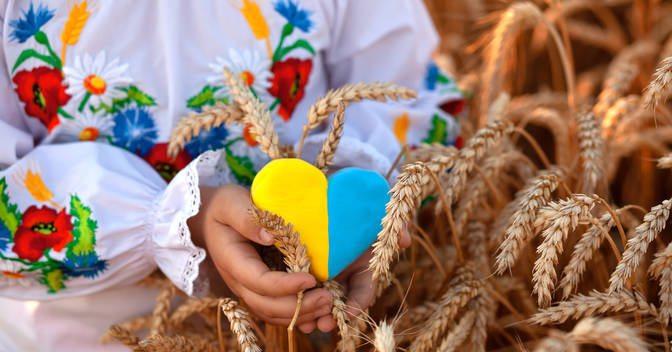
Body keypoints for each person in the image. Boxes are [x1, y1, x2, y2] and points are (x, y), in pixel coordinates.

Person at [0, 0, 463, 350]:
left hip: (320, 327)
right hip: (85, 337)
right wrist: (186, 223)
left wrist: (361, 200)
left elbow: (408, 91)